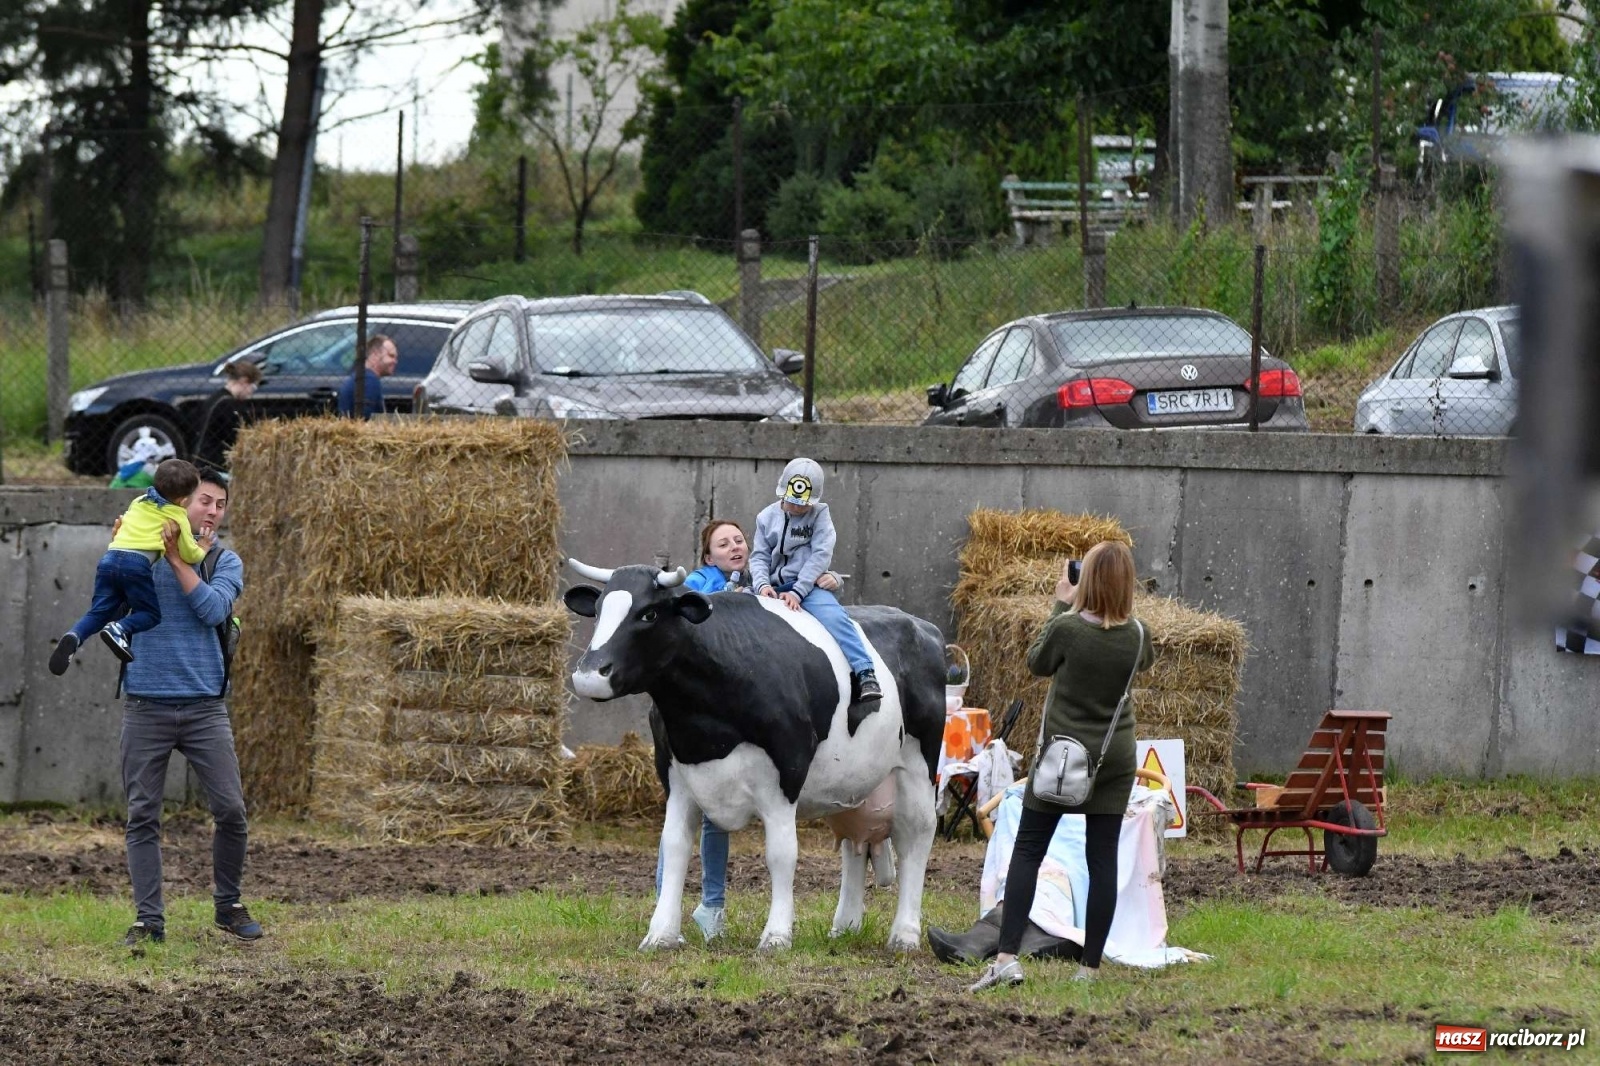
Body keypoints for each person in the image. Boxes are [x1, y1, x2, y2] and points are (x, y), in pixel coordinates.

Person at [969, 540, 1154, 992]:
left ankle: (1007, 959)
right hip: (1114, 759)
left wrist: (1060, 603)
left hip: (1062, 758)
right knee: (1102, 858)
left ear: (1085, 579)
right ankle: (1089, 968)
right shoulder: (1139, 636)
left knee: (1029, 851)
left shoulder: (1069, 630)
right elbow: (1142, 663)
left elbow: (1036, 662)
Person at [663, 518, 844, 940]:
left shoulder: (757, 581)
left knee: (710, 818)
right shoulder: (697, 584)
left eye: (739, 540)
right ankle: (683, 900)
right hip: (706, 716)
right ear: (708, 556)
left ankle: (711, 907)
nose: (734, 547)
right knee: (695, 811)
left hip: (740, 712)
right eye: (723, 544)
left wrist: (824, 578)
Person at [117, 467, 262, 947]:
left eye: (221, 504)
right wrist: (125, 548)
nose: (213, 511)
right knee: (142, 816)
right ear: (180, 501)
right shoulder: (139, 551)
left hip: (204, 708)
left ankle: (228, 905)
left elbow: (214, 611)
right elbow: (111, 603)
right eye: (205, 501)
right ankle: (149, 921)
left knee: (231, 811)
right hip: (145, 704)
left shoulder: (225, 561)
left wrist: (181, 560)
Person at [49, 459, 207, 674]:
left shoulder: (139, 500)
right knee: (150, 614)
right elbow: (190, 554)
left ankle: (74, 636)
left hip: (109, 558)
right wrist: (203, 547)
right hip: (136, 564)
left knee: (100, 612)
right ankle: (119, 629)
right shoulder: (177, 515)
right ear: (183, 500)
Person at [748, 457, 881, 702]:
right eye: (792, 502)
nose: (798, 508)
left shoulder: (820, 516)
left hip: (807, 588)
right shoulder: (765, 517)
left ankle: (865, 671)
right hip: (771, 587)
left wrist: (798, 591)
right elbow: (759, 556)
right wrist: (762, 585)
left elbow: (821, 555)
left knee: (836, 618)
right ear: (782, 492)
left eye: (804, 504)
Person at [191, 359, 263, 469]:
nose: (251, 393)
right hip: (214, 463)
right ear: (244, 381)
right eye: (253, 387)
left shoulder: (216, 398)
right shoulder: (228, 405)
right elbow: (236, 436)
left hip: (204, 459)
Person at [336, 333, 398, 419]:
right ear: (375, 354)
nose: (395, 361)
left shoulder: (362, 378)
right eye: (391, 356)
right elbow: (365, 420)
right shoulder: (369, 381)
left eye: (395, 358)